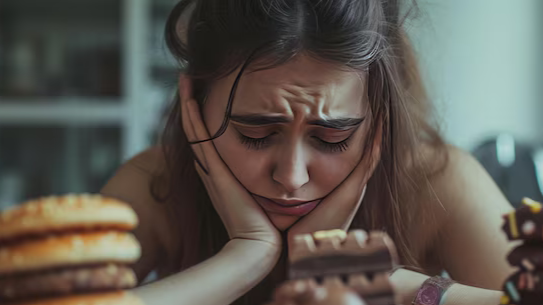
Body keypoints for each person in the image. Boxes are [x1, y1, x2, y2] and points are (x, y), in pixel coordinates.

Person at [100, 0, 515, 304]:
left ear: (379, 117)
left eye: (332, 138)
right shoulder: (158, 185)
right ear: (194, 103)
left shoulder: (435, 181)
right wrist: (244, 256)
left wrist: (401, 286)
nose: (292, 177)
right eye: (255, 133)